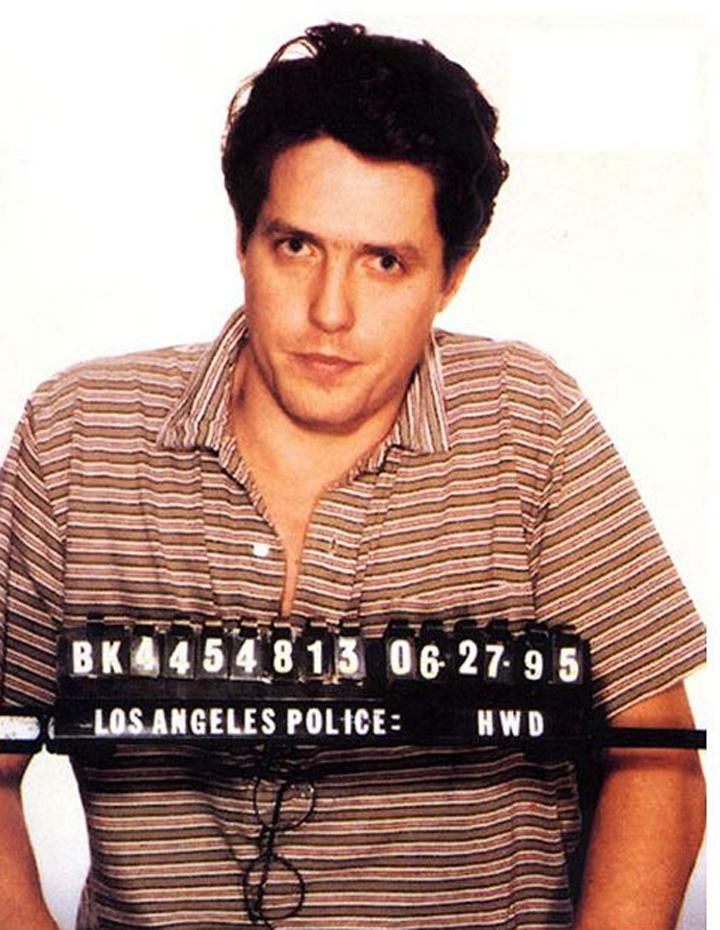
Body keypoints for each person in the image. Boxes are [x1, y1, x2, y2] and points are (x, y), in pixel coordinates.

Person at [0, 20, 705, 930]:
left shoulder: (529, 423)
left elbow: (656, 756)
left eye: (385, 262)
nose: (331, 311)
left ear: (452, 276)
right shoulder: (78, 433)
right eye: (297, 246)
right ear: (244, 239)